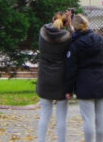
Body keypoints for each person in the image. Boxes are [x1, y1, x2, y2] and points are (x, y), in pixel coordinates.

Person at [65, 15, 103, 142]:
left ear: (75, 27)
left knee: (88, 120)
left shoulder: (75, 44)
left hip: (84, 84)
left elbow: (71, 69)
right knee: (102, 119)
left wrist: (69, 89)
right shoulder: (101, 40)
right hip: (101, 82)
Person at [36, 13, 72, 142]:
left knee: (45, 114)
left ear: (52, 20)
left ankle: (41, 140)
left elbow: (46, 27)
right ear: (65, 24)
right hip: (61, 79)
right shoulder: (67, 38)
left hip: (45, 78)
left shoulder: (42, 34)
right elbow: (75, 38)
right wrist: (70, 25)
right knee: (62, 117)